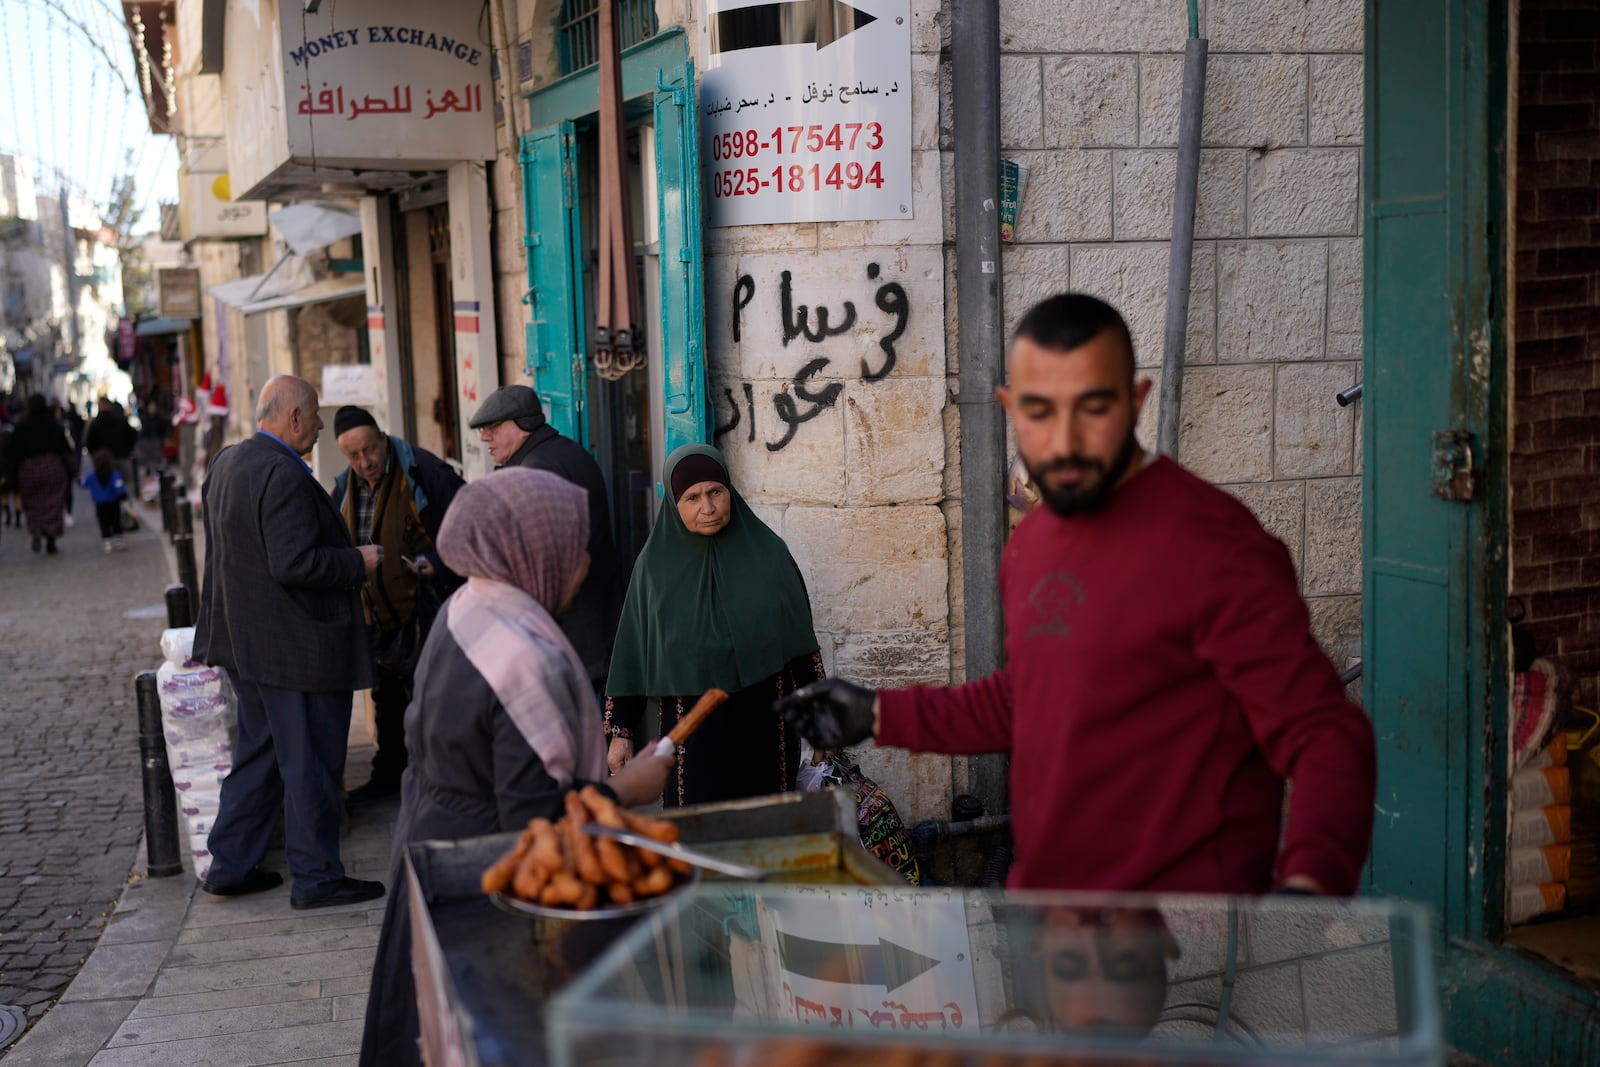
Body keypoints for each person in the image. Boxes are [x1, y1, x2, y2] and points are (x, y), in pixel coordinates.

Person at [780, 293, 1377, 896]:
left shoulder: (1216, 546)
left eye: (1092, 409)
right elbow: (1031, 699)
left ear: (1136, 401)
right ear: (1011, 408)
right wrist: (877, 715)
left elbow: (1323, 733)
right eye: (1040, 412)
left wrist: (1309, 885)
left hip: (1185, 935)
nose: (1064, 442)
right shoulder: (1031, 546)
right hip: (1052, 918)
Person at [358, 468, 675, 1067]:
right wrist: (628, 788)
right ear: (530, 547)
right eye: (574, 548)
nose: (582, 565)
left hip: (432, 847)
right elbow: (535, 820)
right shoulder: (526, 658)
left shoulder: (467, 604)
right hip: (485, 886)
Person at [192, 375, 386, 910]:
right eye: (316, 415)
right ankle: (317, 877)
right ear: (294, 417)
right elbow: (293, 562)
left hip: (246, 645)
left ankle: (229, 866)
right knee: (309, 763)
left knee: (259, 756)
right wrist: (358, 562)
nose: (322, 425)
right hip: (292, 650)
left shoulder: (228, 462)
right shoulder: (282, 474)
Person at [605, 443, 824, 807]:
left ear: (730, 493)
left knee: (771, 829)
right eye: (692, 497)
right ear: (675, 505)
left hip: (767, 727)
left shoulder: (769, 555)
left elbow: (801, 647)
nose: (707, 507)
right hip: (693, 735)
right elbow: (632, 651)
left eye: (715, 492)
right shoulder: (654, 569)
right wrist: (621, 733)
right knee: (698, 834)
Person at [329, 406, 466, 804]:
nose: (365, 462)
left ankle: (443, 783)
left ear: (382, 438)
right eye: (353, 456)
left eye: (370, 450)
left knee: (435, 699)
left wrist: (437, 564)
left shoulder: (423, 471)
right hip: (377, 617)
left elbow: (468, 521)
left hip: (427, 610)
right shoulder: (344, 488)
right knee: (386, 699)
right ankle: (389, 778)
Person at [468, 385, 621, 694]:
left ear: (523, 425)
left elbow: (544, 569)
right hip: (589, 635)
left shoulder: (537, 472)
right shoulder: (562, 451)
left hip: (571, 642)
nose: (485, 436)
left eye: (493, 428)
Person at [7, 395, 76, 555]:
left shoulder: (21, 427)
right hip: (52, 467)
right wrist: (73, 470)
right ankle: (50, 540)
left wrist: (13, 479)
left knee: (32, 503)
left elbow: (12, 454)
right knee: (53, 503)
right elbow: (64, 449)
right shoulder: (53, 425)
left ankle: (36, 527)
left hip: (28, 470)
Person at [80, 449, 129, 553]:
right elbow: (118, 486)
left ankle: (107, 542)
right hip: (113, 503)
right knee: (116, 521)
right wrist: (123, 496)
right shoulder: (113, 474)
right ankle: (118, 540)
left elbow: (83, 483)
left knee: (103, 523)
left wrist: (79, 478)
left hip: (100, 504)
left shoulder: (93, 476)